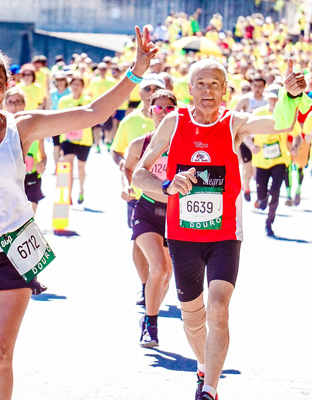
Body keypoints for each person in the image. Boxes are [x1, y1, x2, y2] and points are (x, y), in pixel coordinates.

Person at [0, 28, 157, 400]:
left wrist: (136, 71)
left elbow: (93, 112)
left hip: (12, 253)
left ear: (8, 84)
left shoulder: (24, 127)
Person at [132, 58, 305, 400]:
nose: (207, 90)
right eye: (200, 84)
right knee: (193, 318)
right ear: (190, 89)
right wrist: (168, 184)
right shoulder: (173, 122)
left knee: (219, 307)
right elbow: (139, 174)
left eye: (214, 84)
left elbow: (279, 125)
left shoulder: (233, 123)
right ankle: (203, 366)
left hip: (225, 234)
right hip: (182, 235)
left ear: (225, 90)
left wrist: (291, 96)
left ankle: (209, 389)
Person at [122, 90, 177, 347]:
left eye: (169, 108)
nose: (163, 113)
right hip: (146, 210)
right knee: (160, 268)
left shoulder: (185, 144)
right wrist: (126, 186)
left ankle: (148, 316)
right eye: (158, 108)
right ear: (150, 111)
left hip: (176, 216)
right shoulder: (140, 144)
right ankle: (151, 325)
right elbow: (128, 168)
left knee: (165, 277)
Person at [111, 73, 165, 306]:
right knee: (137, 241)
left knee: (164, 248)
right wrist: (125, 168)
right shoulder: (129, 121)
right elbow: (116, 151)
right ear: (140, 93)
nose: (151, 91)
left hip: (165, 195)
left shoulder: (174, 119)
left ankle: (158, 282)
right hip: (137, 193)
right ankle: (146, 286)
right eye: (147, 88)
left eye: (157, 88)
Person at [244, 91, 301, 235]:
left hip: (280, 159)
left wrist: (295, 146)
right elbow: (244, 133)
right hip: (262, 161)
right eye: (271, 97)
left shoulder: (286, 114)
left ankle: (269, 223)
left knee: (275, 192)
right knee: (263, 197)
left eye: (277, 97)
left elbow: (297, 136)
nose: (274, 100)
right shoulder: (258, 113)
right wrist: (251, 146)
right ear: (267, 98)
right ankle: (262, 200)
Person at [4, 86, 46, 214]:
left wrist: (42, 165)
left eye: (18, 102)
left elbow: (43, 156)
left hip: (31, 178)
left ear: (24, 104)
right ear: (4, 105)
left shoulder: (34, 127)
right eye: (10, 102)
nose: (14, 106)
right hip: (8, 180)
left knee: (29, 219)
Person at [58, 76, 93, 204]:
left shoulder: (88, 100)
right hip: (67, 138)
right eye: (73, 84)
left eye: (78, 84)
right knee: (68, 166)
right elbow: (59, 118)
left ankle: (81, 190)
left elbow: (91, 117)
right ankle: (68, 194)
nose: (75, 86)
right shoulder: (63, 101)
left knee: (81, 168)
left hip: (84, 139)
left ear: (82, 87)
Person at [235, 75, 268, 201]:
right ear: (251, 86)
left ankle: (261, 192)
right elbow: (234, 114)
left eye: (260, 86)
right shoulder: (246, 100)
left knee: (259, 169)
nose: (257, 89)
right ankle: (246, 188)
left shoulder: (267, 100)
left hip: (262, 138)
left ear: (264, 87)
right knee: (247, 167)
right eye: (255, 86)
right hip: (247, 138)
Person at [87, 62, 117, 152]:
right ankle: (97, 144)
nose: (102, 71)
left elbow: (114, 95)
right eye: (100, 69)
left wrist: (114, 108)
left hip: (108, 107)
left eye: (104, 69)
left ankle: (108, 142)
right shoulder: (93, 81)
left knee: (108, 127)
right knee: (96, 127)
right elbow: (90, 94)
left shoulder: (112, 81)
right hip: (95, 107)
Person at [48, 71, 71, 170]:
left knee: (64, 145)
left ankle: (64, 166)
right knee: (56, 145)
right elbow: (49, 107)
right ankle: (57, 167)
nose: (60, 82)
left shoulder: (70, 92)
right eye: (57, 80)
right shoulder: (52, 93)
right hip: (54, 121)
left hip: (67, 122)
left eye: (62, 79)